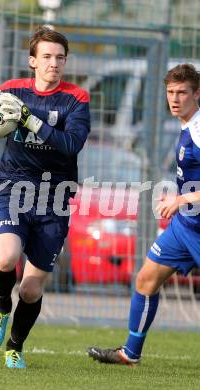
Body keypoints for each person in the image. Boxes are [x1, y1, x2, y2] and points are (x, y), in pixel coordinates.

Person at [0, 26, 90, 368]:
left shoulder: (76, 99)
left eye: (60, 58)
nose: (54, 64)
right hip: (12, 189)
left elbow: (71, 145)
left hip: (55, 198)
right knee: (5, 259)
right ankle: (1, 305)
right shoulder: (12, 91)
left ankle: (15, 347)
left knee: (32, 290)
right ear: (32, 61)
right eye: (47, 57)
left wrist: (28, 119)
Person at [87, 63, 200, 366]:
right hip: (186, 225)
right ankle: (130, 353)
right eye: (170, 92)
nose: (175, 99)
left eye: (182, 92)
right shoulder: (186, 125)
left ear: (197, 93)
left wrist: (183, 198)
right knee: (146, 279)